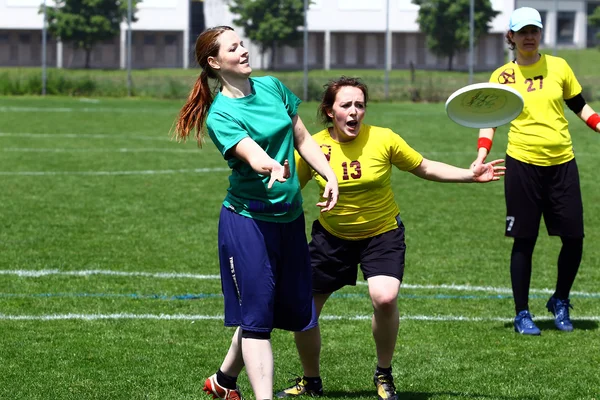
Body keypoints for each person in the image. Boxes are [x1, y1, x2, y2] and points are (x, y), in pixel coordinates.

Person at [276, 76, 505, 400]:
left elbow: (423, 166)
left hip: (381, 233)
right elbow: (290, 191)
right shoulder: (313, 146)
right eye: (346, 105)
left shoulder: (383, 139)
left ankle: (384, 373)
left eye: (360, 105)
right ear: (330, 111)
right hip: (332, 237)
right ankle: (311, 380)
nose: (354, 112)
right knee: (305, 312)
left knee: (384, 298)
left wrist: (470, 175)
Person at [173, 26, 339, 400]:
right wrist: (271, 167)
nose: (245, 50)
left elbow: (301, 136)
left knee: (269, 308)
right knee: (258, 321)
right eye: (234, 47)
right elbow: (252, 153)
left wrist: (329, 173)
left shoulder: (273, 87)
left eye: (243, 43)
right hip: (248, 222)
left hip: (289, 218)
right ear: (215, 62)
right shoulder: (221, 115)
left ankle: (223, 380)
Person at [472, 7, 600, 336]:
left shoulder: (559, 67)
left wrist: (598, 124)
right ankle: (522, 313)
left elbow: (579, 105)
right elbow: (491, 121)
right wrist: (481, 155)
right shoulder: (501, 77)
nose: (529, 36)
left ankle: (560, 299)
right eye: (522, 31)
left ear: (541, 33)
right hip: (522, 164)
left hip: (562, 163)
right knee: (524, 241)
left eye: (534, 30)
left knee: (574, 238)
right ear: (510, 37)